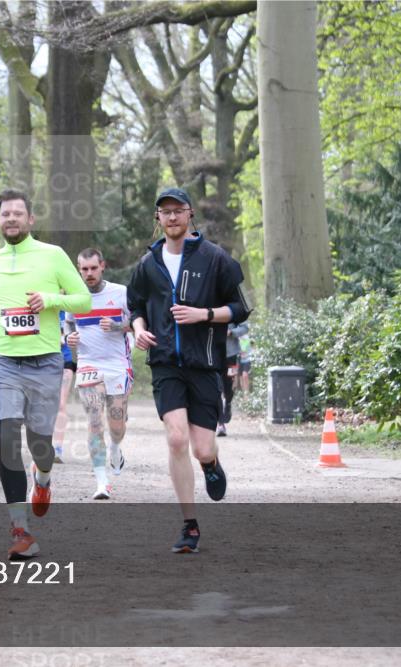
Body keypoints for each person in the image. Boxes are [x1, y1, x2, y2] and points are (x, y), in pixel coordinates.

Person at [126, 187, 251, 553]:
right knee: (176, 439)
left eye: (178, 210)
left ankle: (211, 463)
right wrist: (138, 329)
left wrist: (204, 315)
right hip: (165, 363)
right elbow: (135, 305)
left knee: (201, 448)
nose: (172, 217)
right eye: (165, 212)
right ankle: (189, 525)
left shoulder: (214, 258)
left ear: (190, 214)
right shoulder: (148, 264)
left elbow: (239, 308)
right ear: (158, 219)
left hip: (205, 364)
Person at [0, 189, 91, 560]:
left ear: (30, 220)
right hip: (3, 362)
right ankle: (20, 530)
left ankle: (43, 479)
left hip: (44, 362)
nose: (11, 219)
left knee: (39, 444)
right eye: (5, 214)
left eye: (17, 214)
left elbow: (83, 299)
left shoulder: (52, 256)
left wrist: (51, 300)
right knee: (7, 437)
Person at [65, 248, 132, 500]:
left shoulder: (121, 293)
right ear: (79, 269)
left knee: (117, 425)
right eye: (84, 269)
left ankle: (115, 448)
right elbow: (69, 323)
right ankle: (102, 482)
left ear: (102, 266)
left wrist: (118, 326)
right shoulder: (75, 296)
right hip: (88, 364)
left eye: (93, 268)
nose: (89, 273)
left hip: (117, 365)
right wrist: (68, 336)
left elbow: (136, 322)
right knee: (94, 421)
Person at [217, 321, 249, 437]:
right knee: (216, 388)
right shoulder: (208, 305)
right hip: (213, 354)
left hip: (231, 355)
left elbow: (245, 328)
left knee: (228, 388)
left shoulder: (233, 306)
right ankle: (220, 424)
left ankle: (228, 403)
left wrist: (231, 332)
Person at [52, 311, 76, 464]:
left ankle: (57, 448)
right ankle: (43, 444)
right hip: (43, 360)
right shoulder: (42, 306)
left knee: (60, 404)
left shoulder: (68, 310)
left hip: (65, 361)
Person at [238, 327, 252, 392]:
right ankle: (244, 393)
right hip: (239, 360)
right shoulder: (237, 338)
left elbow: (251, 348)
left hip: (247, 359)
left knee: (245, 375)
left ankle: (246, 392)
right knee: (240, 377)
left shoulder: (247, 338)